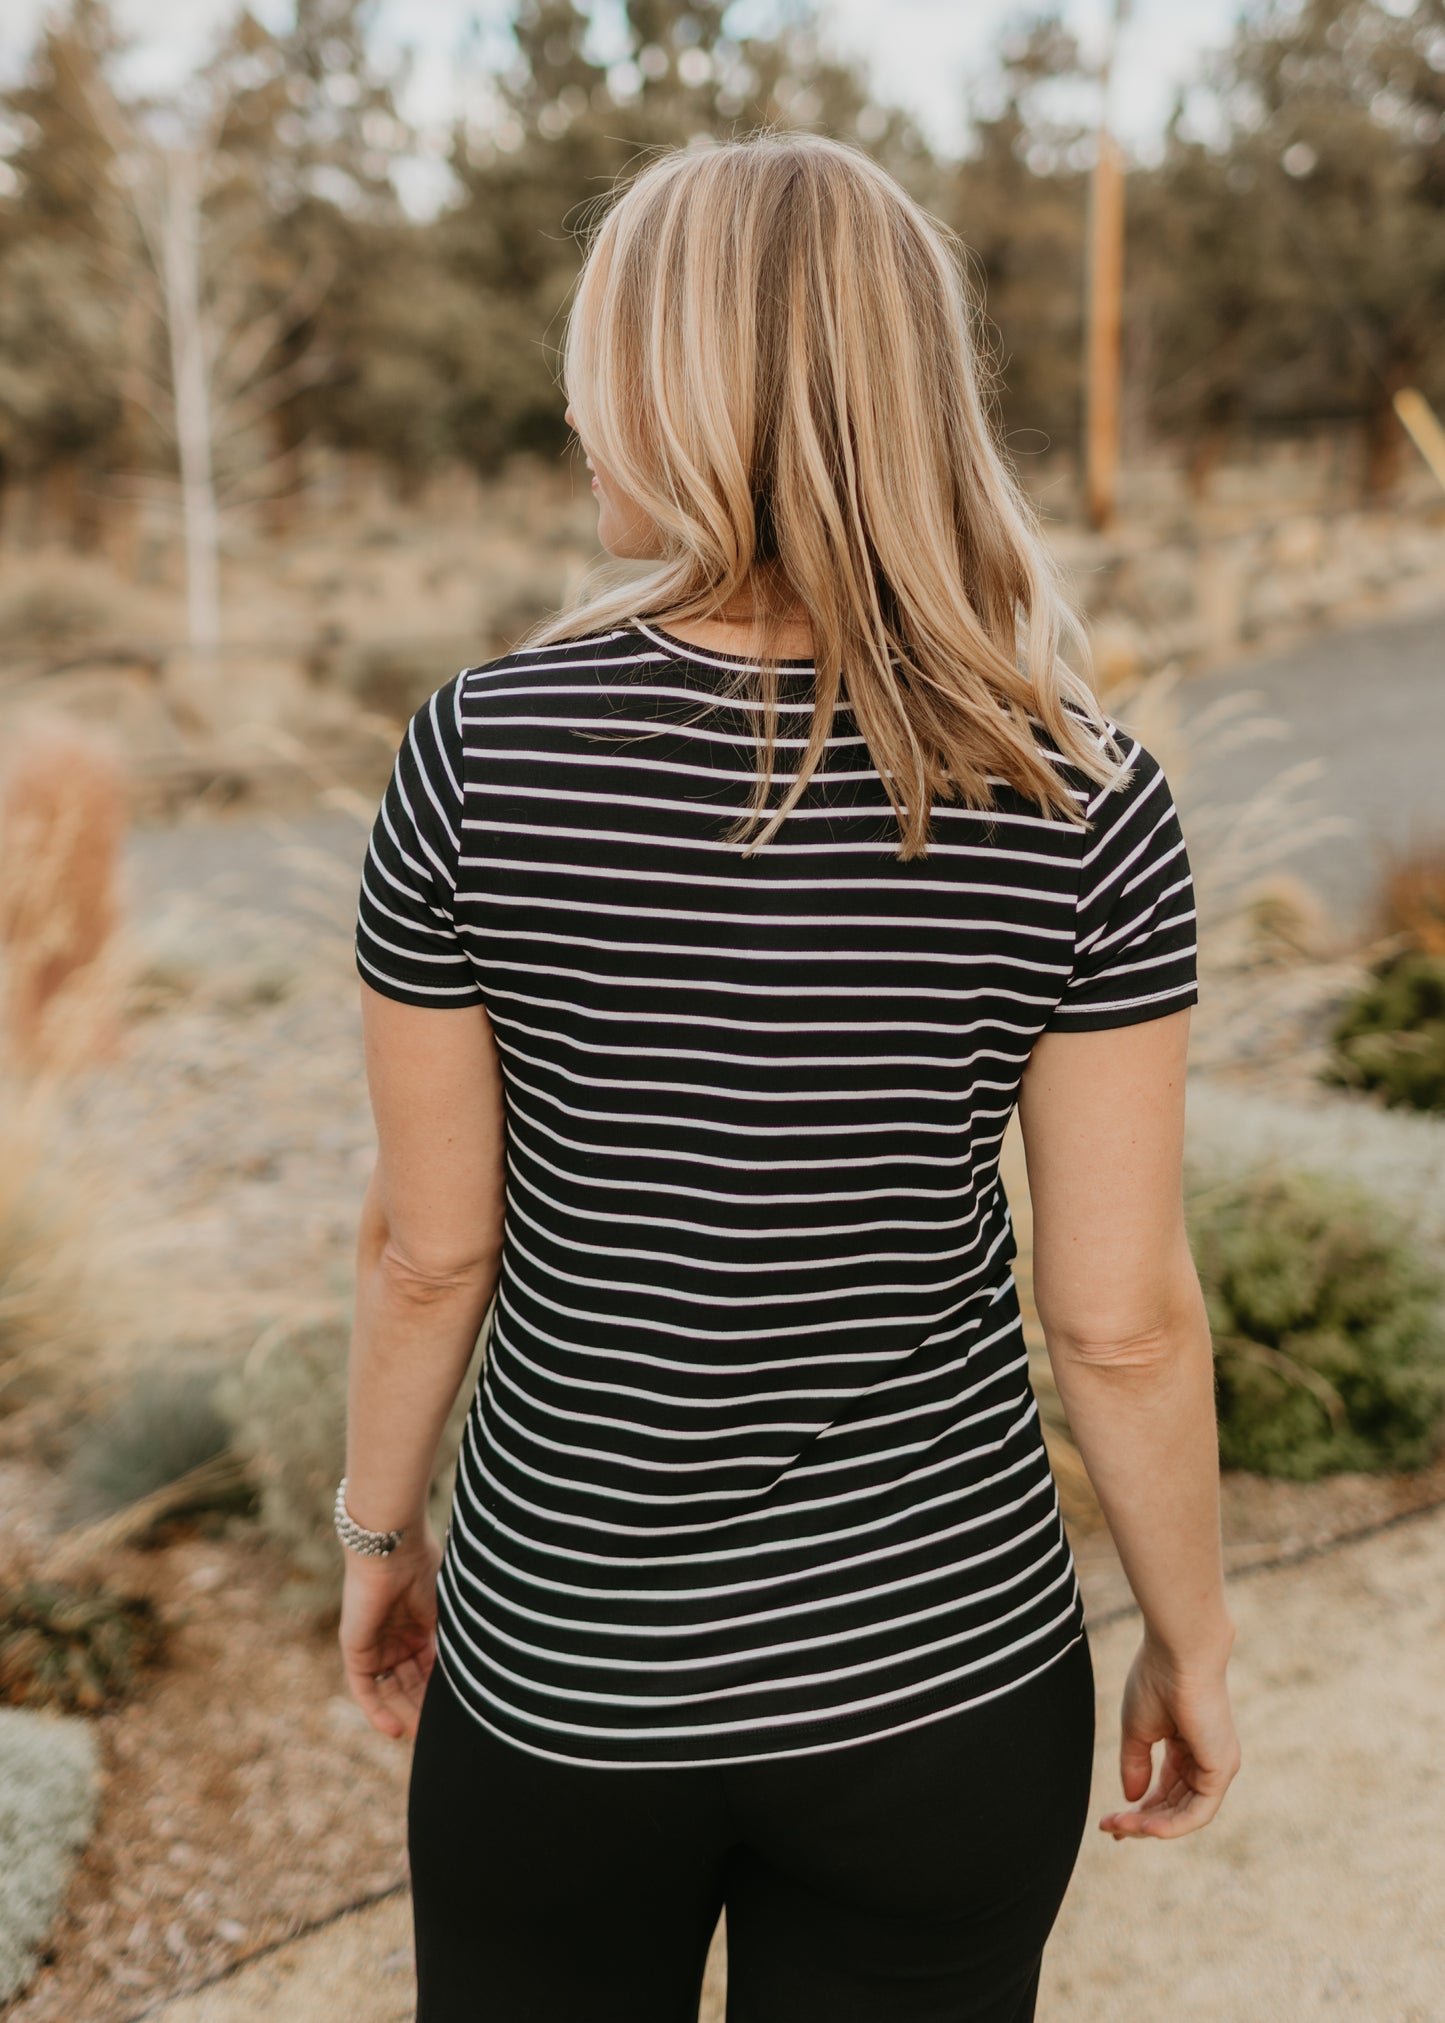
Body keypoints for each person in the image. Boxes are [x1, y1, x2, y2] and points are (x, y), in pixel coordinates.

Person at [335, 131, 1241, 2023]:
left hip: (571, 1677)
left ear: (669, 386)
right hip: (945, 1680)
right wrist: (1190, 1632)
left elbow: (431, 1254)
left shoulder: (479, 756)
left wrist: (374, 1530)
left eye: (600, 363)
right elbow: (1123, 1321)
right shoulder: (1079, 792)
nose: (576, 411)